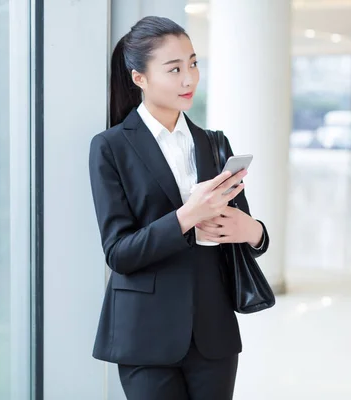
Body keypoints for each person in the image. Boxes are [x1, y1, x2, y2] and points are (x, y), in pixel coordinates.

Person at [88, 16, 269, 399]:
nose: (189, 78)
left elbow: (248, 231)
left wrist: (251, 231)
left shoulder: (214, 144)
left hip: (213, 331)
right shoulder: (111, 147)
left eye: (193, 63)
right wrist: (189, 215)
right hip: (145, 335)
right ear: (140, 78)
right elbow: (119, 253)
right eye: (174, 69)